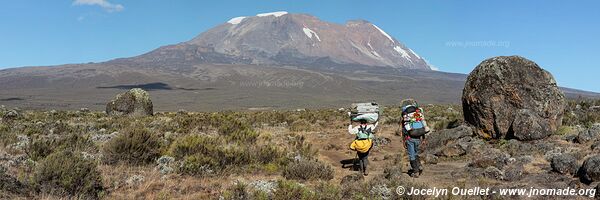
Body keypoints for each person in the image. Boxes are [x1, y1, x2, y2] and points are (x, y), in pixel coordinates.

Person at [400, 99, 430, 178]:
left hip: (410, 139)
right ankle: (419, 165)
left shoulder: (406, 119)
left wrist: (403, 141)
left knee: (411, 155)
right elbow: (423, 128)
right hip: (418, 138)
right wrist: (423, 139)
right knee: (416, 153)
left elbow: (404, 131)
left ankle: (416, 171)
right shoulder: (418, 117)